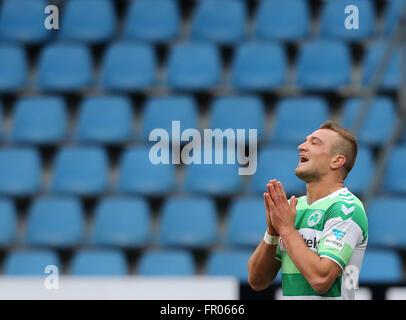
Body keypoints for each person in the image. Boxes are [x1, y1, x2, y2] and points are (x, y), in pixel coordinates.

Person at [247, 120, 368, 300]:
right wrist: (273, 232)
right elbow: (257, 281)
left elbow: (321, 279)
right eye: (305, 141)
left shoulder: (346, 208)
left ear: (337, 160)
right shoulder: (293, 209)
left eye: (314, 142)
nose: (301, 146)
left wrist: (286, 229)